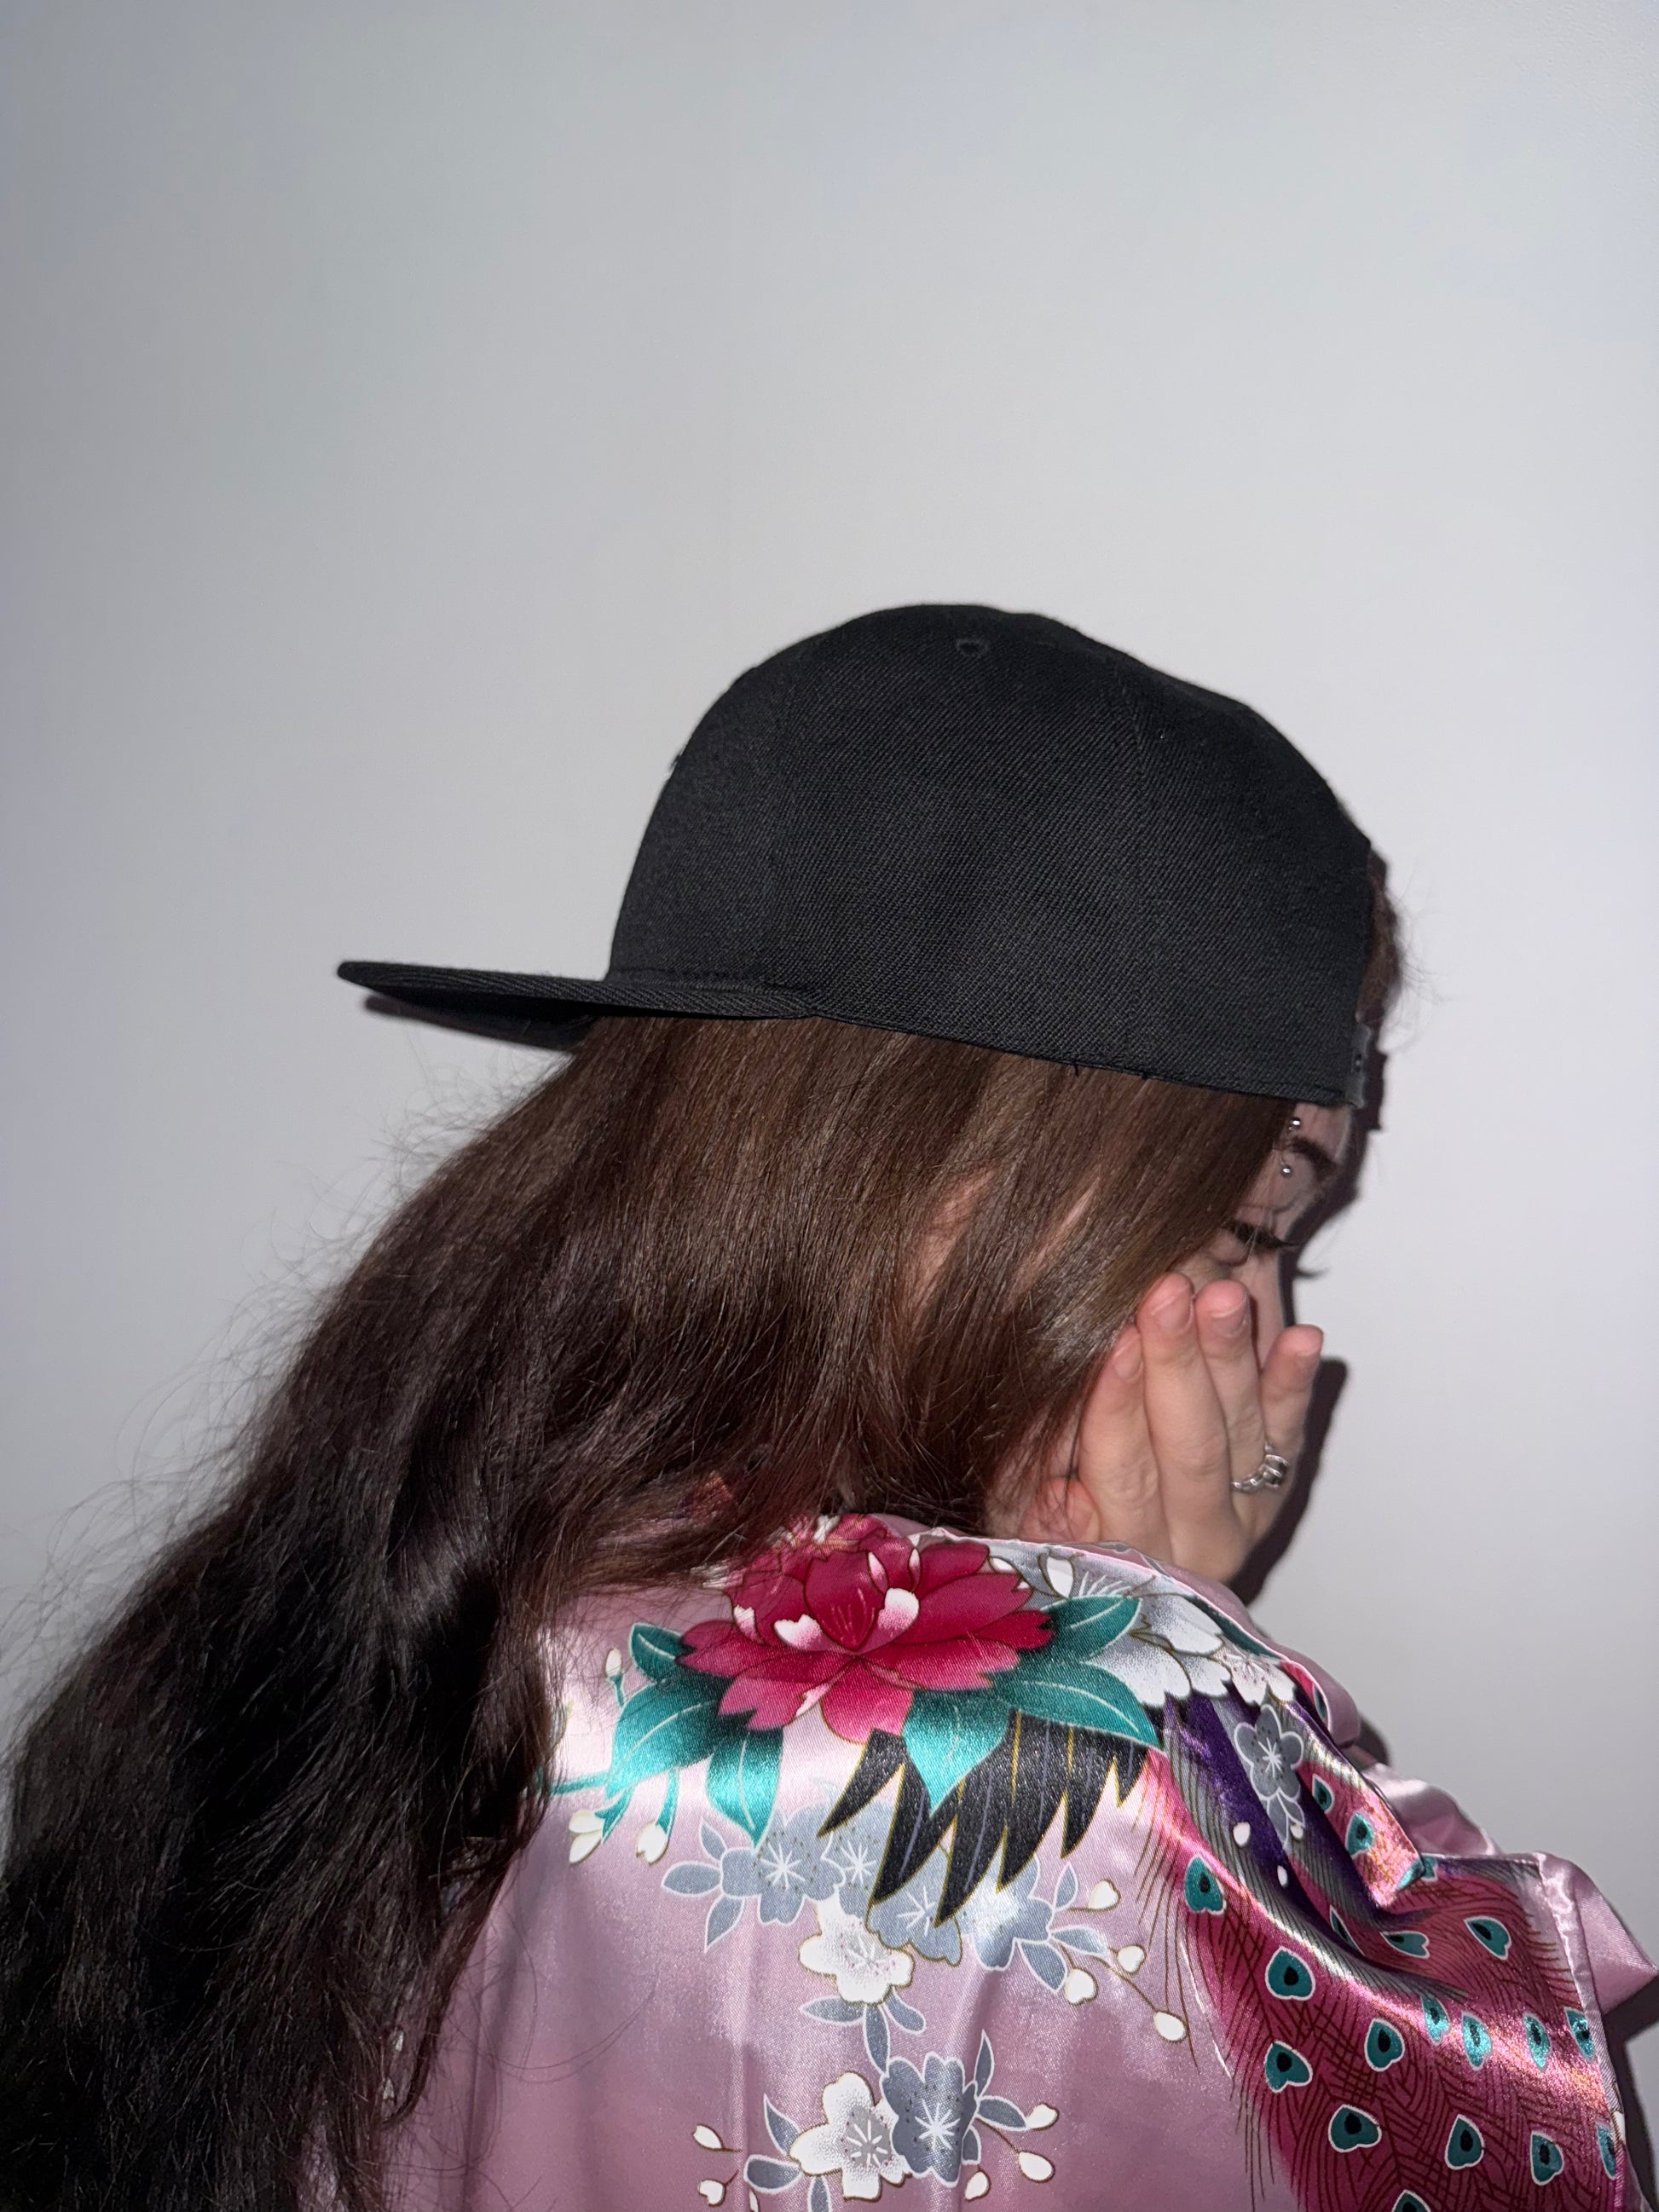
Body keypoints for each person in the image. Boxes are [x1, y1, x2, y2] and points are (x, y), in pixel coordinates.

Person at [0, 606, 1649, 2212]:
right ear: (950, 1179)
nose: (1270, 1332)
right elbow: (1464, 2138)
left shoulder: (339, 1581)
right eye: (1244, 1227)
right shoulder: (1054, 1765)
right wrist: (1155, 1656)